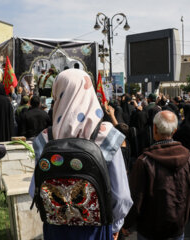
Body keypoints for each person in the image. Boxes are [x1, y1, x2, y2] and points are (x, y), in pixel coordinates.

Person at [28, 69, 133, 240]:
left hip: (56, 228)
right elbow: (121, 195)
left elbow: (34, 191)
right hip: (96, 229)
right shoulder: (106, 136)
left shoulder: (45, 139)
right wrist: (115, 226)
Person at [123, 110, 190, 240]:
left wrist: (126, 224)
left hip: (150, 229)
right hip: (177, 225)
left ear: (154, 129)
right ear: (175, 130)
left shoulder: (144, 161)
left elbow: (136, 198)